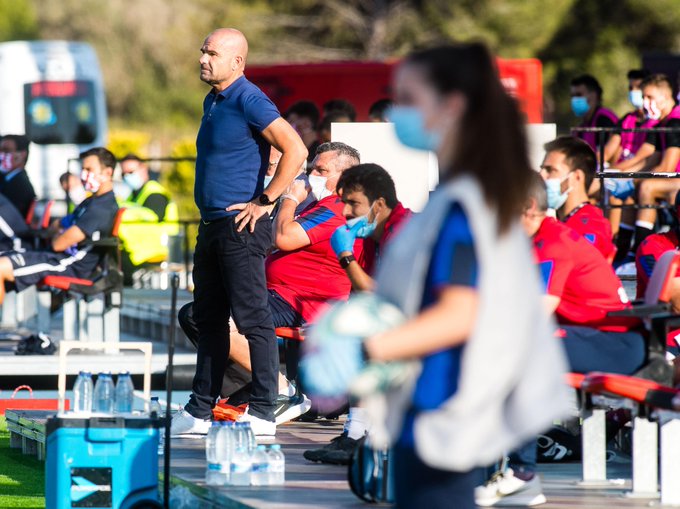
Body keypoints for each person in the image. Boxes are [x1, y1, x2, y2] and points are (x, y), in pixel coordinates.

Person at [301, 43, 569, 509]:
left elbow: (460, 313)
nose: (394, 115)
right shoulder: (454, 197)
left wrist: (365, 349)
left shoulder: (466, 207)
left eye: (408, 100)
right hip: (425, 407)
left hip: (447, 409)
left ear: (452, 107)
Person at [170, 28, 307, 438]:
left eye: (213, 53)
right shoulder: (213, 100)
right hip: (212, 224)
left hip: (241, 227)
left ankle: (265, 408)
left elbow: (295, 149)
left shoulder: (249, 97)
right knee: (209, 318)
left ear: (237, 62)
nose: (203, 58)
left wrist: (265, 201)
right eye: (203, 51)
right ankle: (200, 408)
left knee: (252, 319)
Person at [176, 142, 363, 425]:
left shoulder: (337, 207)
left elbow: (284, 237)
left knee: (213, 318)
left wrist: (288, 198)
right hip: (275, 292)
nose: (312, 176)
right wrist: (260, 207)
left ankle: (279, 389)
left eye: (321, 170)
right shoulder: (315, 204)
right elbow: (266, 239)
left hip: (303, 301)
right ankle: (253, 389)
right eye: (312, 169)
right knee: (199, 312)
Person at [489, 173, 647, 502]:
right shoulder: (534, 241)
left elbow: (537, 310)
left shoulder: (553, 242)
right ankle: (505, 469)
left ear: (528, 208)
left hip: (617, 346)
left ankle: (521, 472)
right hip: (593, 336)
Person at [303, 162, 412, 465]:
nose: (346, 212)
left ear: (378, 204)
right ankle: (356, 435)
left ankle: (367, 437)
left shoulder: (402, 231)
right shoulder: (376, 232)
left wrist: (345, 255)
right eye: (344, 203)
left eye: (353, 203)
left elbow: (377, 291)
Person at [0, 147, 119, 304]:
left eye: (89, 169)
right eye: (82, 169)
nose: (83, 175)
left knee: (1, 268)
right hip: (56, 257)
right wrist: (59, 232)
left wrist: (59, 234)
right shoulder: (90, 202)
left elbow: (59, 244)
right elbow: (58, 224)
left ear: (108, 173)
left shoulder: (102, 208)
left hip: (69, 264)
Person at [608, 74, 680, 255]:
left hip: (676, 180)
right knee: (632, 194)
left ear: (664, 96)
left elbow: (666, 168)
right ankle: (624, 251)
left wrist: (633, 182)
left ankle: (642, 250)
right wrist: (621, 176)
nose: (645, 102)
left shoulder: (675, 122)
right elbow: (649, 162)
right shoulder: (660, 124)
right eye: (644, 97)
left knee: (647, 187)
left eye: (649, 97)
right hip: (672, 180)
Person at [539, 136, 615, 261]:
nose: (541, 176)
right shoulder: (565, 222)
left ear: (577, 177)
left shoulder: (591, 227)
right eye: (541, 169)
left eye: (550, 170)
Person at [117, 153, 179, 285]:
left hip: (156, 251)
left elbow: (150, 217)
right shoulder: (133, 196)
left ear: (143, 169)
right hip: (138, 251)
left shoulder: (155, 193)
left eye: (131, 172)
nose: (127, 176)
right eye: (123, 174)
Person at [570, 74, 618, 153]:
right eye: (572, 96)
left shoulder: (605, 120)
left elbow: (607, 155)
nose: (574, 99)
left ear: (593, 95)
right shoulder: (581, 127)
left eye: (579, 95)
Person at [0, 135, 36, 218]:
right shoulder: (8, 180)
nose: (1, 155)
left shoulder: (20, 185)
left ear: (22, 155)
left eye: (6, 150)